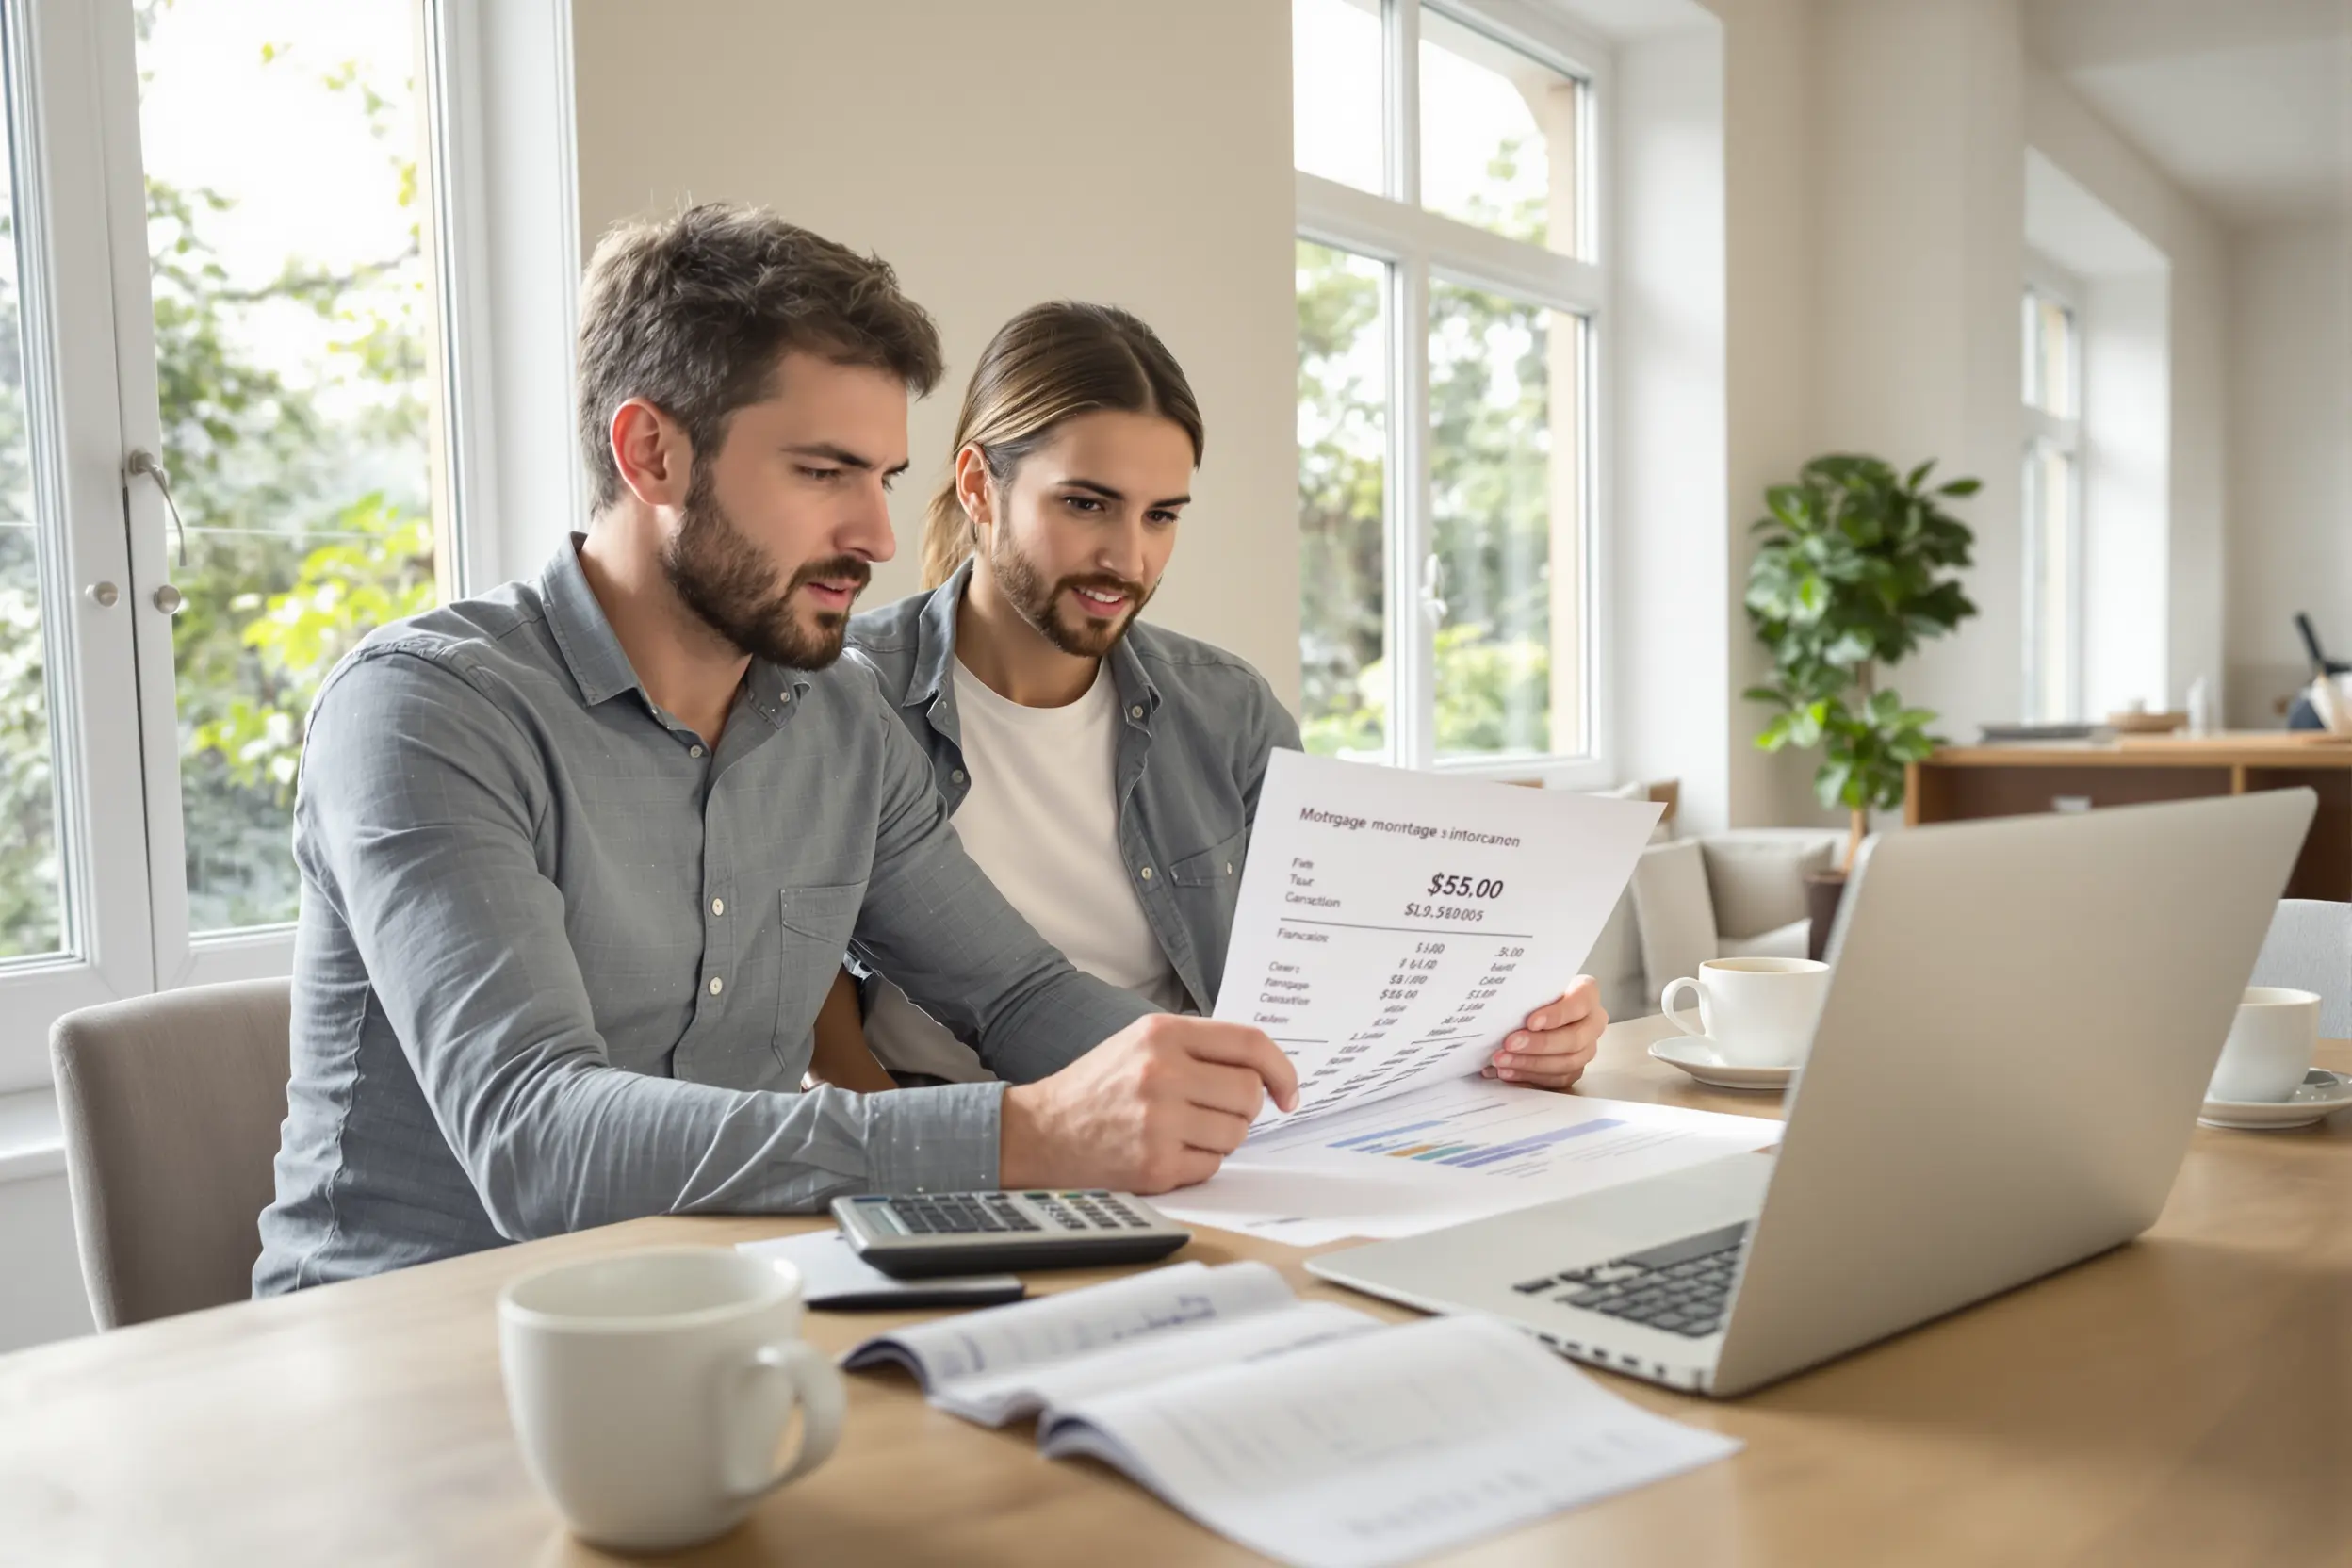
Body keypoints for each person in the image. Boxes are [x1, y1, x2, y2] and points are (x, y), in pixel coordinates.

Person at [253, 208, 1296, 1296]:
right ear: (652, 451)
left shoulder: (842, 723)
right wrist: (1016, 1133)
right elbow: (536, 1136)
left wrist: (1252, 1085)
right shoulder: (428, 712)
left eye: (882, 478)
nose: (880, 537)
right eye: (821, 473)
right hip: (409, 1335)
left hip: (729, 1311)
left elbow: (1021, 994)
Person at [820, 302, 1606, 1095]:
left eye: (1160, 516)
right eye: (1086, 504)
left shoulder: (1227, 712)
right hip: (949, 1127)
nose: (1128, 559)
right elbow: (817, 1017)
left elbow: (1335, 966)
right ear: (979, 488)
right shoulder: (850, 697)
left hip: (1195, 1127)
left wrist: (1521, 1026)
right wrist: (915, 1160)